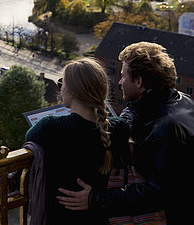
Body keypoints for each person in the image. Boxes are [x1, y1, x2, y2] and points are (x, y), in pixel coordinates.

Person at [57, 42, 194, 224]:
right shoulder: (181, 99)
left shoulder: (166, 127)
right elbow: (137, 110)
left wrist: (96, 199)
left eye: (123, 76)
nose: (120, 82)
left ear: (138, 81)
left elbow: (157, 193)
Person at [25, 57, 128, 225]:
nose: (60, 88)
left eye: (62, 83)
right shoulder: (118, 129)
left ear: (72, 91)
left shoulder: (49, 127)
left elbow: (29, 138)